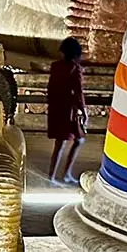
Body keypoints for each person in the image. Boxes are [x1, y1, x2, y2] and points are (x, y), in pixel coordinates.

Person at [48, 37, 88, 183]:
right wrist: (84, 112)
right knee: (79, 140)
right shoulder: (75, 68)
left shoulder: (55, 66)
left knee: (60, 143)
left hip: (57, 107)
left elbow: (51, 88)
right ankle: (64, 174)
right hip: (70, 110)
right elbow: (78, 92)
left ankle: (53, 175)